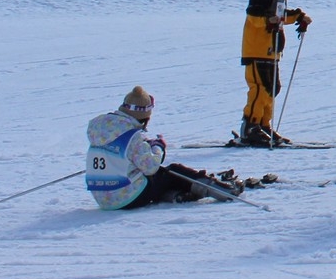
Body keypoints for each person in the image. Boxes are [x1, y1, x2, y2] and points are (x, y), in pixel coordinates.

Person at [87, 87, 244, 209]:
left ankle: (174, 195)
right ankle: (223, 191)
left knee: (157, 177)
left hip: (102, 198)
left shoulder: (99, 126)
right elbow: (151, 168)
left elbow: (121, 153)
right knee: (173, 171)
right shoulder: (132, 135)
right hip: (126, 198)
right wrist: (158, 147)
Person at [240, 0, 311, 147]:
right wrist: (269, 20)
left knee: (272, 87)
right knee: (260, 86)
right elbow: (254, 16)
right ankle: (250, 126)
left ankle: (263, 124)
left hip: (272, 46)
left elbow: (277, 15)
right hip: (257, 46)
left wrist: (297, 17)